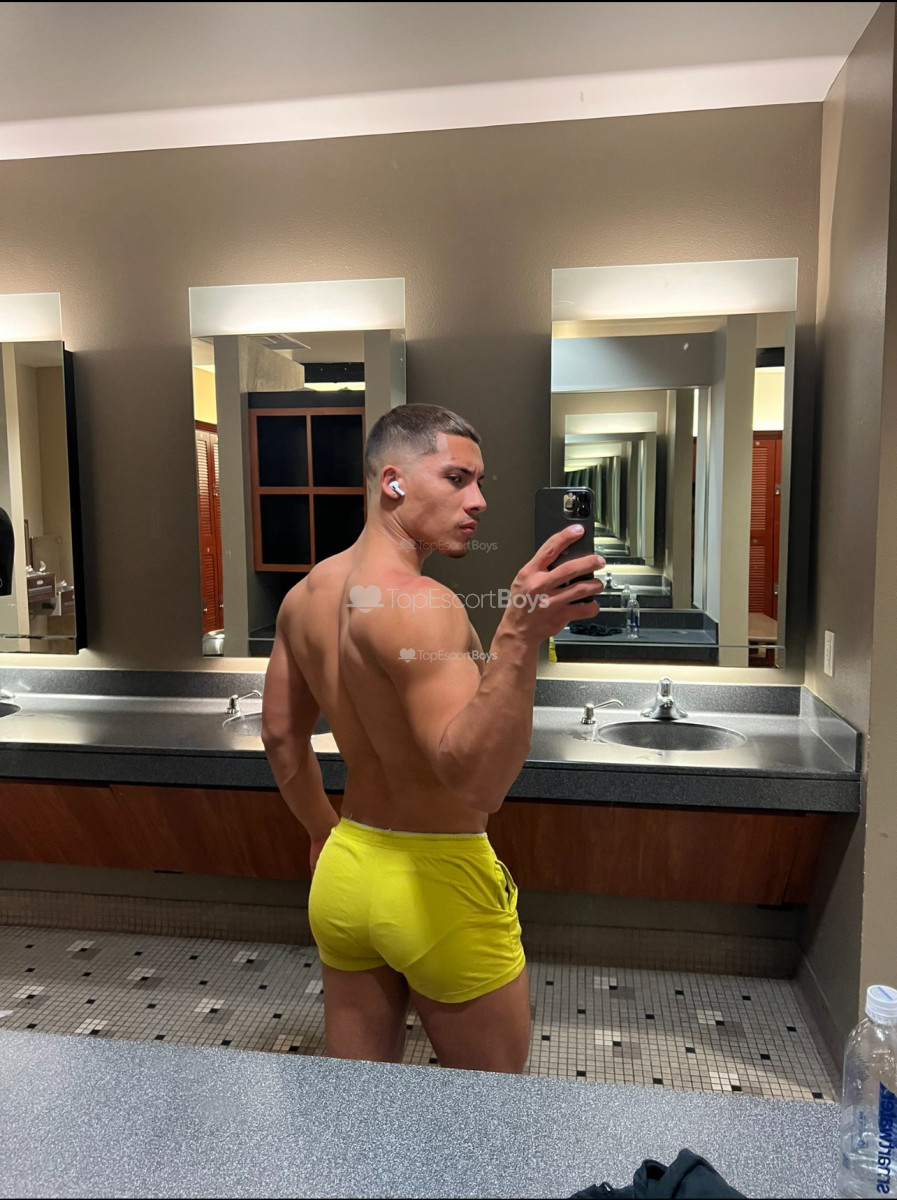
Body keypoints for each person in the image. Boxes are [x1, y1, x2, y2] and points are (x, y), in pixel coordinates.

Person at [261, 404, 603, 1073]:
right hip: (437, 883)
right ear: (392, 481)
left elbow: (279, 736)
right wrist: (517, 635)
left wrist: (320, 830)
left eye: (479, 482)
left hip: (346, 870)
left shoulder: (305, 595)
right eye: (456, 478)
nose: (478, 501)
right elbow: (476, 782)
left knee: (359, 1106)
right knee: (488, 1115)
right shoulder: (422, 604)